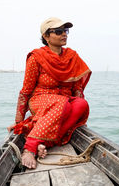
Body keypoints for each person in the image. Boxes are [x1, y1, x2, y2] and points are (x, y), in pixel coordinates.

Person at [7, 17, 91, 169]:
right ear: (46, 36)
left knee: (81, 104)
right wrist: (19, 121)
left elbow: (77, 88)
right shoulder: (36, 57)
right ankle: (30, 148)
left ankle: (45, 143)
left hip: (64, 102)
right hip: (40, 99)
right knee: (61, 103)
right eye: (58, 32)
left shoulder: (72, 56)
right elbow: (26, 91)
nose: (64, 34)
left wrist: (77, 113)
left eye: (66, 31)